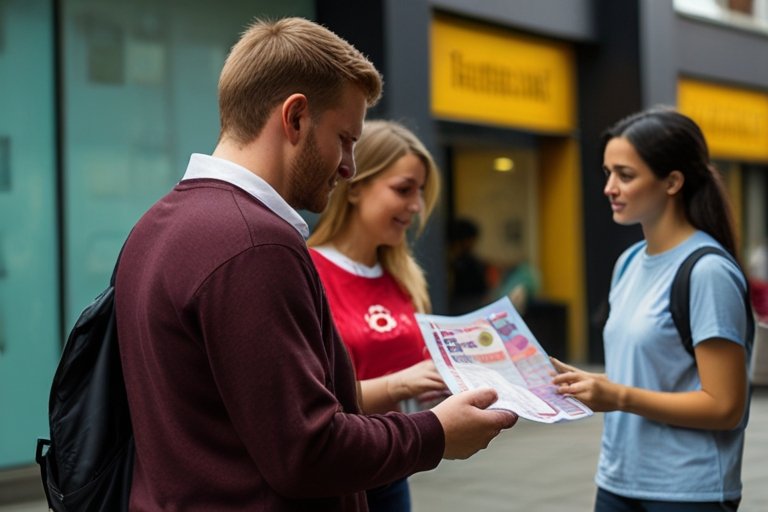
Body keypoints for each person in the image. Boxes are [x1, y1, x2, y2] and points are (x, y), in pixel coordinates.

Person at [114, 17, 516, 511]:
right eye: (346, 139)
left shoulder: (156, 224)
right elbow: (307, 451)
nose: (349, 166)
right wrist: (434, 433)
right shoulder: (255, 245)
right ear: (296, 117)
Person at [552, 108, 753, 512]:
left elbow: (725, 406)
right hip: (617, 480)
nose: (609, 187)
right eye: (607, 173)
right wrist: (592, 386)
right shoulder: (628, 262)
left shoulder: (707, 271)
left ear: (673, 181)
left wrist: (618, 395)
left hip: (686, 492)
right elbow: (652, 375)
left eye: (625, 175)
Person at [307, 120, 448, 511]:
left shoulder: (405, 277)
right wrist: (402, 384)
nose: (416, 206)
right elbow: (311, 404)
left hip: (393, 469)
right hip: (336, 476)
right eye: (404, 190)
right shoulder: (308, 271)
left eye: (419, 193)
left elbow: (414, 387)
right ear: (355, 186)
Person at [447, 217, 490, 314]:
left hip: (474, 302)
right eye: (471, 240)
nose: (473, 243)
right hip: (464, 305)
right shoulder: (452, 261)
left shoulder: (469, 259)